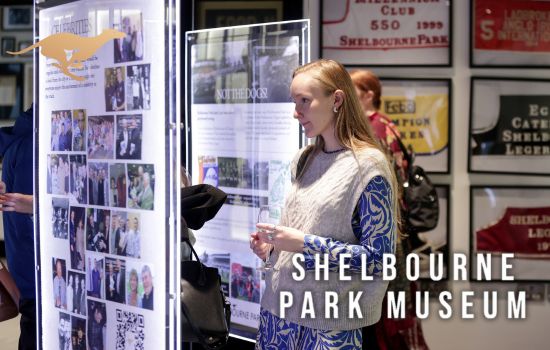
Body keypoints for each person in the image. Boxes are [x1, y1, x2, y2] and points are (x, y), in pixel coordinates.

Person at [249, 59, 399, 349]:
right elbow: (296, 236)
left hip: (329, 328)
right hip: (278, 318)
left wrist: (303, 243)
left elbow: (380, 261)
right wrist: (272, 249)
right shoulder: (304, 158)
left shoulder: (368, 166)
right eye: (295, 102)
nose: (296, 113)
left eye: (304, 101)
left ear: (337, 99)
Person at [351, 69, 430, 350]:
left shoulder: (373, 128)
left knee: (381, 314)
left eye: (353, 89)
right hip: (397, 227)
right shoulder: (388, 124)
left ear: (368, 95)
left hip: (385, 229)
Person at [1, 98, 41, 349]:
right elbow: (26, 225)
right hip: (37, 287)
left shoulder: (23, 139)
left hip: (29, 284)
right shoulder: (32, 145)